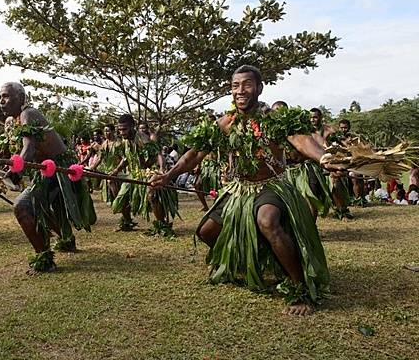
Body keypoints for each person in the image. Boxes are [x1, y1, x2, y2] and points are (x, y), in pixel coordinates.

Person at [151, 65, 342, 316]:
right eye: (235, 85)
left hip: (272, 185)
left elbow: (301, 140)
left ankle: (299, 289)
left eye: (247, 84)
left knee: (268, 221)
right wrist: (168, 175)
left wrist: (323, 159)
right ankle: (251, 261)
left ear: (260, 88)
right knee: (206, 232)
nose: (240, 90)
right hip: (240, 189)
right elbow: (195, 154)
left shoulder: (273, 120)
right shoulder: (225, 123)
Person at [0, 82, 96, 273]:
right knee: (41, 207)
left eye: (6, 96)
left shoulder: (28, 114)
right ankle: (66, 239)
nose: (1, 101)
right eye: (0, 97)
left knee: (23, 207)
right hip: (45, 171)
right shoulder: (14, 121)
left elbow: (29, 147)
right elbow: (15, 151)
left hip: (59, 169)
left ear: (21, 98)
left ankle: (44, 258)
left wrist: (16, 171)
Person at [111, 114, 178, 236]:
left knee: (152, 195)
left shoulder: (143, 139)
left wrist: (162, 169)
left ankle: (161, 225)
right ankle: (127, 222)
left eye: (124, 129)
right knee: (122, 198)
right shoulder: (126, 141)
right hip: (133, 174)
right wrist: (116, 170)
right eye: (119, 129)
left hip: (147, 173)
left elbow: (157, 154)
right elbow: (127, 158)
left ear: (133, 126)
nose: (121, 132)